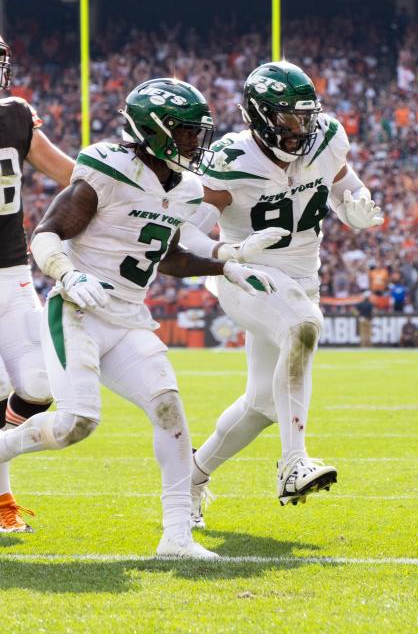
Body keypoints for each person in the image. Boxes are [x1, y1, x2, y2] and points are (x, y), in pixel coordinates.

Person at [0, 78, 275, 557]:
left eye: (196, 132)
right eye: (186, 132)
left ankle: (176, 537)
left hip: (128, 318)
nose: (195, 142)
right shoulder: (110, 169)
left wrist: (227, 262)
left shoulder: (186, 189)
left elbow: (166, 255)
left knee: (169, 410)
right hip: (79, 312)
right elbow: (45, 234)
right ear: (154, 130)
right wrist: (66, 275)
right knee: (74, 425)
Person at [177, 61, 383, 526]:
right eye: (287, 119)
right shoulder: (232, 159)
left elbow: (345, 183)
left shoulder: (328, 138)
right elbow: (185, 235)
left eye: (306, 117)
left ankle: (189, 478)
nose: (299, 129)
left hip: (302, 280)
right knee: (303, 325)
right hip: (247, 277)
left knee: (262, 405)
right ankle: (293, 464)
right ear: (258, 116)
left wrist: (356, 206)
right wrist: (226, 251)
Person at [0, 35, 77, 532]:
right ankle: (3, 503)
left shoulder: (13, 116)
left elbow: (72, 176)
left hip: (9, 271)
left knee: (39, 385)